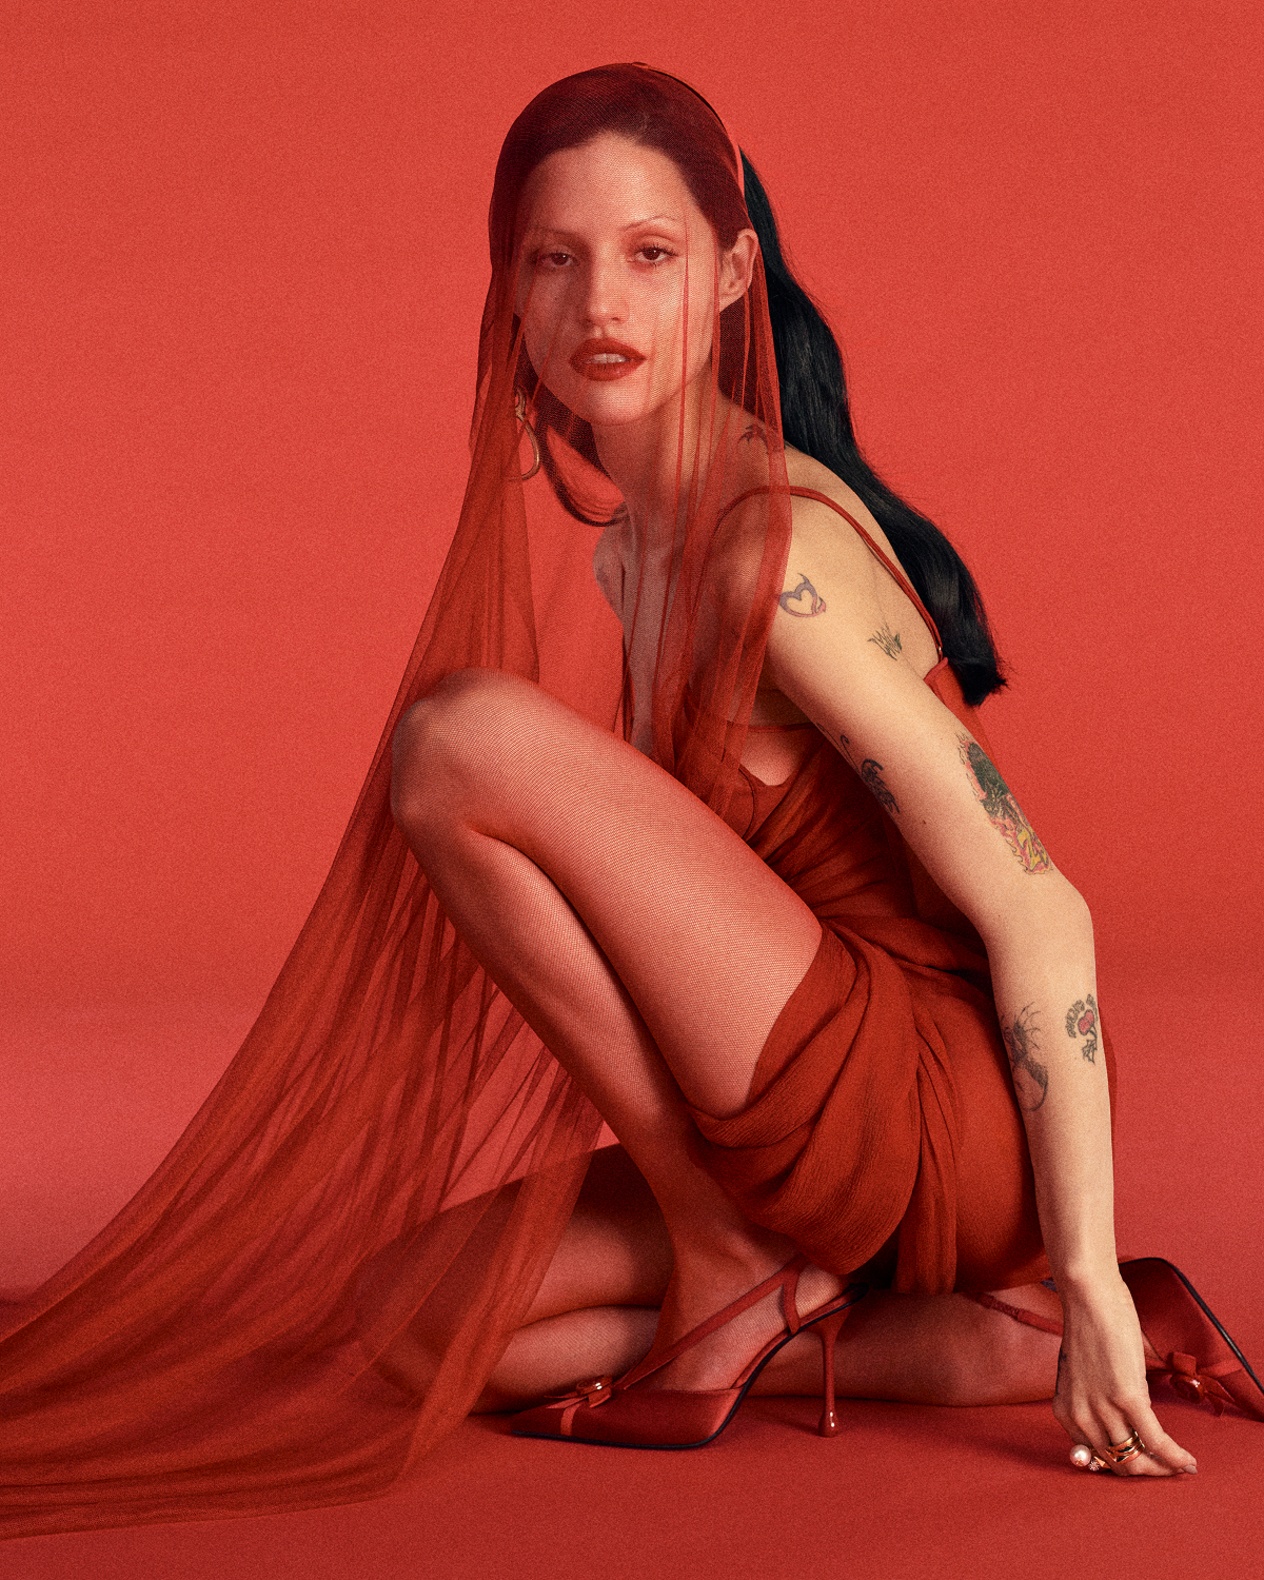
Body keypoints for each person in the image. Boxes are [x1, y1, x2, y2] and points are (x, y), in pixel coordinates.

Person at [0, 63, 1258, 1542]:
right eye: (557, 258)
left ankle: (808, 1261)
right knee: (414, 1321)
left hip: (928, 1108)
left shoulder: (763, 551)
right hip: (788, 1082)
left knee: (456, 741)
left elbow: (1040, 906)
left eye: (651, 257)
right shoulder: (631, 553)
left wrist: (1089, 1257)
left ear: (730, 277)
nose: (602, 302)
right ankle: (969, 1342)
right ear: (510, 298)